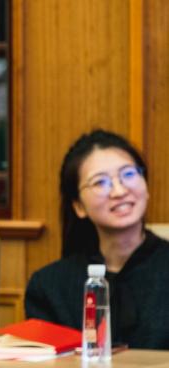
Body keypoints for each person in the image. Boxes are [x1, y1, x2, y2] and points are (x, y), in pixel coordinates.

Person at [25, 129, 169, 348]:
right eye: (100, 182)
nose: (119, 191)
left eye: (129, 174)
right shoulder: (49, 286)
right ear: (79, 206)